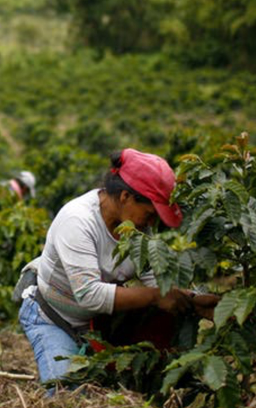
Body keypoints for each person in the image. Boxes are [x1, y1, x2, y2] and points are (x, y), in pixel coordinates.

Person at [17, 148, 219, 389]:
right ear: (125, 197)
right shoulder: (78, 221)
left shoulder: (137, 228)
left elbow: (155, 281)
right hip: (53, 318)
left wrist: (193, 300)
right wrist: (156, 296)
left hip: (99, 324)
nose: (151, 223)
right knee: (66, 394)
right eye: (150, 214)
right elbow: (89, 295)